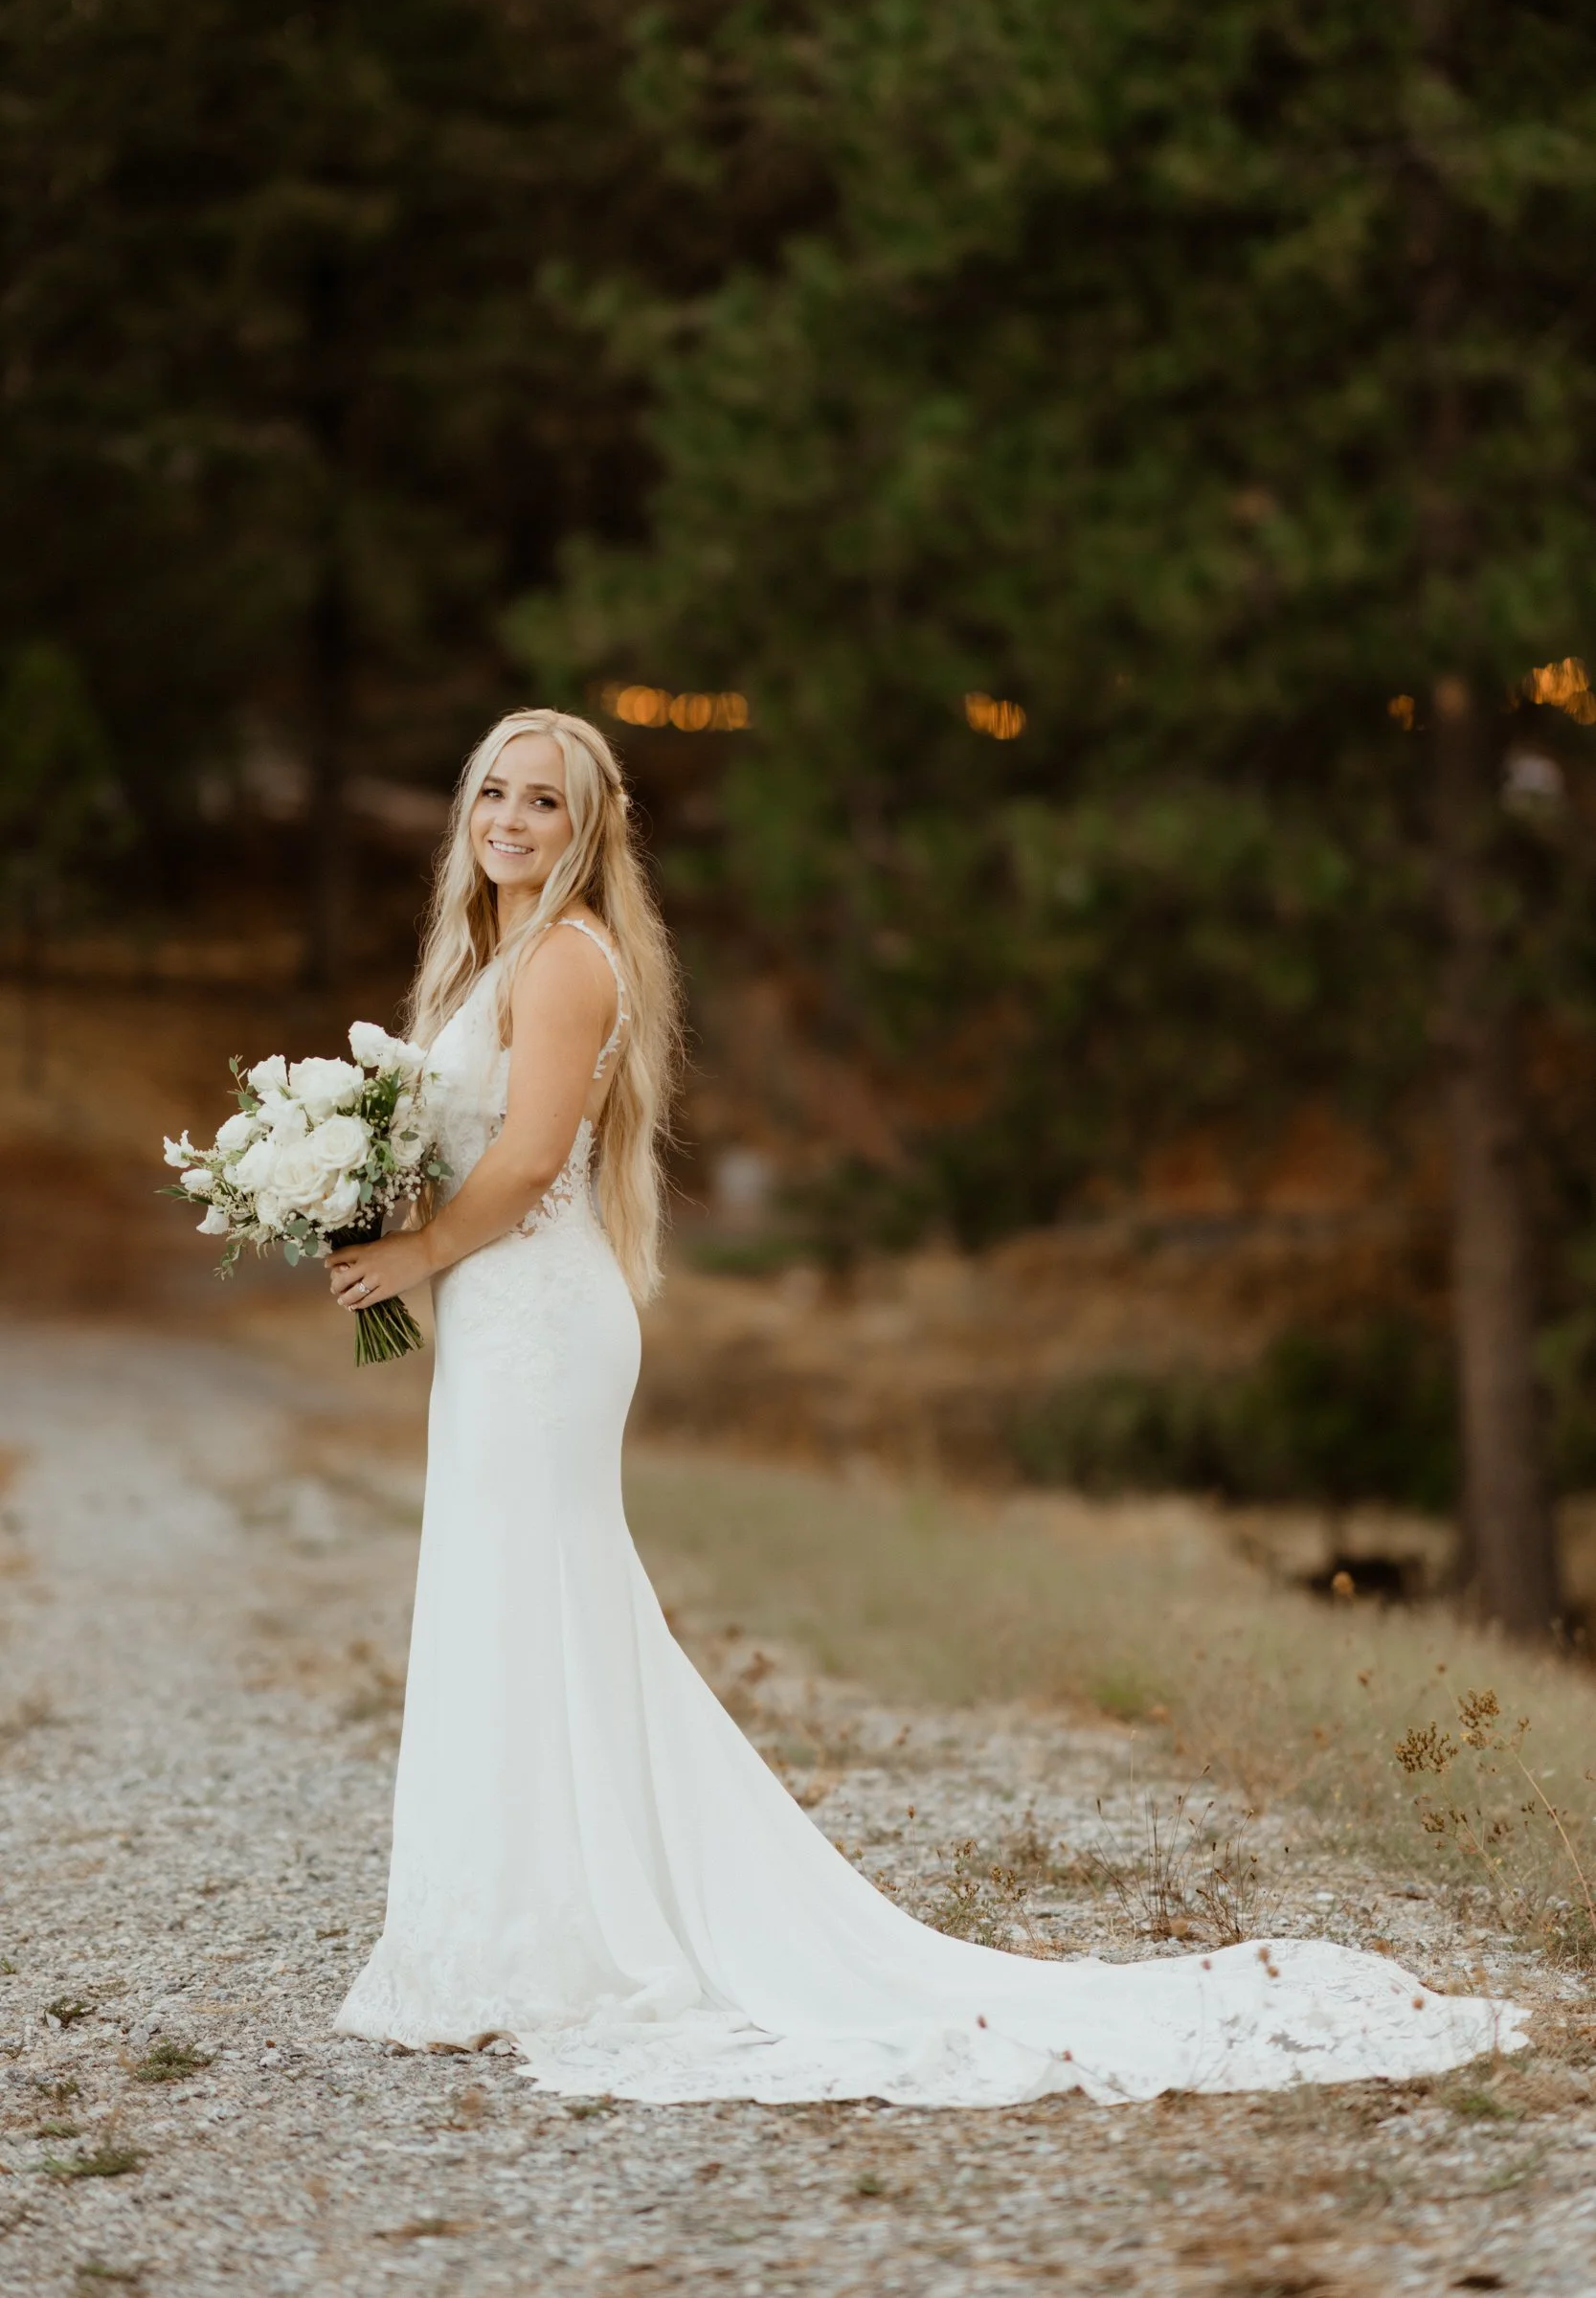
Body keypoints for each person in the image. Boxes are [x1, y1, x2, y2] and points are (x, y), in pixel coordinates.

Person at [331, 708, 1522, 2106]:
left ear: (589, 829)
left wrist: (413, 1254)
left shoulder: (568, 960)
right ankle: (514, 1925)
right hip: (499, 1319)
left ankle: (568, 1941)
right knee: (505, 1598)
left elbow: (533, 1157)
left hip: (538, 1322)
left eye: (543, 801)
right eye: (494, 794)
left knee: (534, 1592)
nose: (511, 820)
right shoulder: (493, 954)